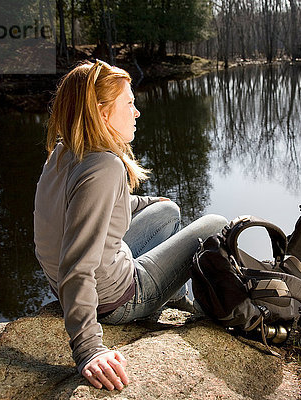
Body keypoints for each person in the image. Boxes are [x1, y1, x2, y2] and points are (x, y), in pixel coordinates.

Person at [33, 60, 227, 391]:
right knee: (217, 225)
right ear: (102, 111)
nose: (136, 112)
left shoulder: (64, 152)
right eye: (129, 103)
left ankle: (174, 296)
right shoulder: (104, 167)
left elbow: (84, 209)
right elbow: (76, 267)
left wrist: (150, 202)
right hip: (117, 299)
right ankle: (171, 299)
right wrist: (88, 349)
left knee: (169, 211)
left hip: (91, 279)